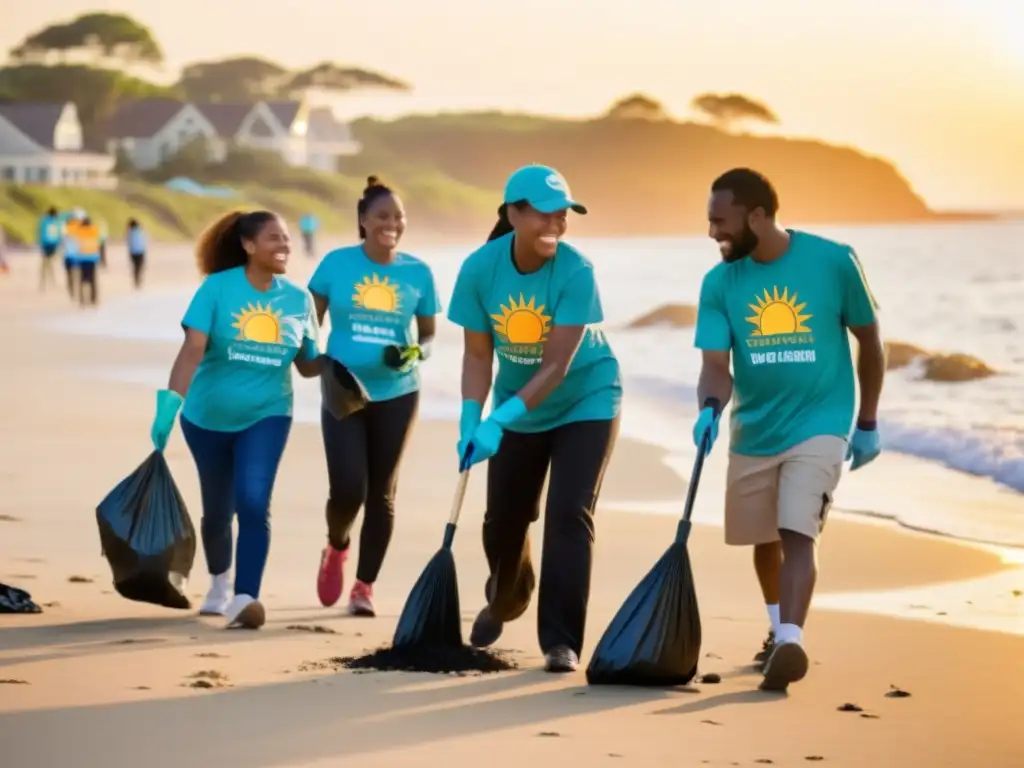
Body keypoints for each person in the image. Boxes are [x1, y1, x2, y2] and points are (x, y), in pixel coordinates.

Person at [693, 167, 884, 692]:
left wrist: (866, 421)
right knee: (765, 538)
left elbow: (870, 341)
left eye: (721, 222)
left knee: (799, 529)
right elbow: (715, 364)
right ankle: (777, 632)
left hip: (821, 422)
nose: (714, 233)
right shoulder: (719, 282)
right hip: (753, 428)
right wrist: (709, 407)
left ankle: (793, 639)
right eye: (710, 223)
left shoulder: (833, 260)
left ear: (757, 215)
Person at [447, 164, 622, 673]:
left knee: (569, 515)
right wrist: (468, 419)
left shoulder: (575, 270)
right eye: (543, 214)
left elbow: (556, 365)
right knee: (503, 523)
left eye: (563, 214)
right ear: (513, 213)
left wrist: (497, 420)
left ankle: (561, 641)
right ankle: (507, 598)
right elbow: (478, 355)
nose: (555, 224)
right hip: (516, 404)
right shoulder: (481, 269)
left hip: (586, 401)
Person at [149, 210, 323, 629]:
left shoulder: (299, 300)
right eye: (273, 238)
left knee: (252, 501)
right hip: (206, 416)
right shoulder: (217, 289)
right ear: (248, 245)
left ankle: (246, 597)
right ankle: (219, 582)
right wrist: (169, 405)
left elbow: (308, 364)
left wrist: (346, 365)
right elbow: (193, 349)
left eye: (286, 238)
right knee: (217, 510)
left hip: (267, 414)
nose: (284, 245)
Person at [310, 176, 440, 617]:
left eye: (399, 217)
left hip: (398, 391)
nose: (392, 224)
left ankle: (364, 586)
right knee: (347, 490)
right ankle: (337, 545)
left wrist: (417, 352)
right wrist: (312, 363)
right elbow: (309, 323)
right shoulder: (335, 264)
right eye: (383, 216)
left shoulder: (418, 272)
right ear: (363, 221)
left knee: (381, 493)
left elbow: (429, 336)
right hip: (344, 389)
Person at [75, 216, 102, 307]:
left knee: (82, 279)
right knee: (93, 279)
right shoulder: (94, 230)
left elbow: (76, 240)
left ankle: (82, 299)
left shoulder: (80, 231)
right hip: (92, 258)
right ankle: (93, 298)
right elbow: (99, 240)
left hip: (82, 258)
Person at [38, 207, 62, 291]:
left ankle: (42, 282)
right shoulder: (57, 222)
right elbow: (59, 234)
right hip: (54, 245)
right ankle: (52, 281)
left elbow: (40, 233)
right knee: (51, 263)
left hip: (45, 244)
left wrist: (40, 245)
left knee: (44, 264)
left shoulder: (44, 221)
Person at [61, 209, 84, 299]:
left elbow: (62, 242)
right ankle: (77, 290)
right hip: (77, 255)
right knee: (77, 274)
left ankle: (72, 291)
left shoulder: (65, 229)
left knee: (69, 274)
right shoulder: (78, 228)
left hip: (67, 256)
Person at [127, 218, 147, 289]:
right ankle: (138, 279)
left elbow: (129, 242)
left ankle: (136, 279)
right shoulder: (140, 231)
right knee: (140, 266)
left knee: (135, 267)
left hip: (133, 252)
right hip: (140, 251)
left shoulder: (130, 232)